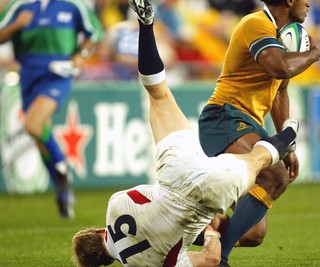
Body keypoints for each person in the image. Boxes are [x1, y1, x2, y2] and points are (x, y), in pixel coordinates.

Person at [71, 0, 299, 266]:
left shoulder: (146, 265)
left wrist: (211, 234)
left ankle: (289, 133)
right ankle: (146, 25)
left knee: (256, 161)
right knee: (158, 93)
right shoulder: (115, 206)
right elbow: (151, 198)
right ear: (100, 231)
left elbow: (210, 260)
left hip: (205, 199)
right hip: (176, 172)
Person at [197, 0, 320, 265]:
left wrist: (287, 147)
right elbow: (281, 67)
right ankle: (219, 260)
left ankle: (180, 237)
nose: (309, 3)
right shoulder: (256, 24)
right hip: (224, 116)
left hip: (248, 123)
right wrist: (313, 54)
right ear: (289, 1)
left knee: (254, 233)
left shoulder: (282, 37)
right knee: (274, 174)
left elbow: (280, 91)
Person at [0, 0, 104, 218]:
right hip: (28, 75)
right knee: (38, 136)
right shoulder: (19, 5)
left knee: (32, 124)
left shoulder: (74, 5)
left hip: (58, 74)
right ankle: (63, 194)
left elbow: (94, 32)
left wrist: (80, 56)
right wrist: (16, 25)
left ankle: (62, 168)